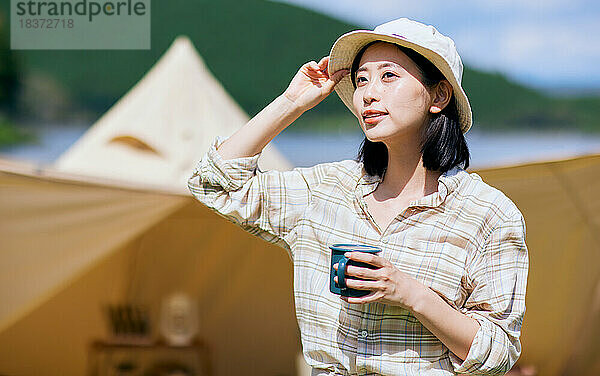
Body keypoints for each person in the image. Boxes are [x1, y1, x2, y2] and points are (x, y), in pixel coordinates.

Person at [188, 18, 529, 375]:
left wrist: (410, 293)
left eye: (388, 76)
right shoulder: (327, 190)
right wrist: (291, 103)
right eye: (361, 79)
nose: (368, 92)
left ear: (439, 95)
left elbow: (499, 352)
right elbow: (214, 183)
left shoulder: (488, 214)